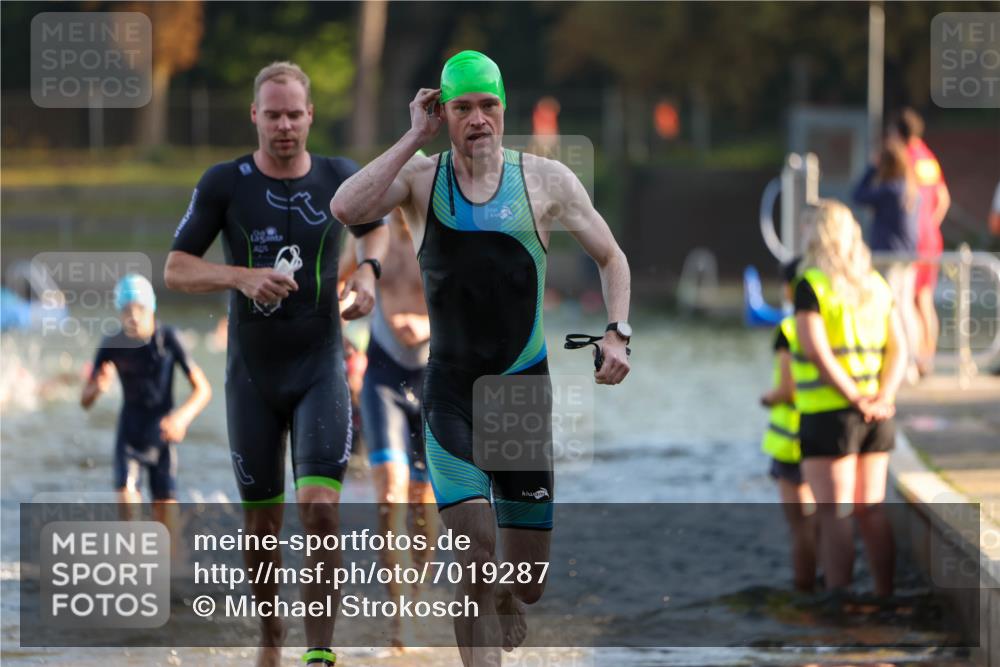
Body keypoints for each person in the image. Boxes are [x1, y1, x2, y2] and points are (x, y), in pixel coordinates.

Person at [330, 50, 631, 666]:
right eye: (462, 107)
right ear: (444, 110)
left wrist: (618, 332)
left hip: (521, 393)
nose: (477, 120)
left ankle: (504, 598)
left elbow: (612, 257)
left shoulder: (546, 181)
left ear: (504, 109)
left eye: (487, 106)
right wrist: (415, 134)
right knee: (473, 543)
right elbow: (347, 208)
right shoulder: (421, 178)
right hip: (450, 393)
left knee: (526, 581)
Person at [163, 61, 389, 667]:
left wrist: (369, 271)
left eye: (295, 114)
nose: (285, 125)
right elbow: (177, 267)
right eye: (274, 114)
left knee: (321, 509)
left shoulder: (341, 178)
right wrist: (241, 277)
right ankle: (271, 642)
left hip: (320, 364)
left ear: (310, 115)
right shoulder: (224, 184)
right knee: (262, 530)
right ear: (255, 117)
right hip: (252, 378)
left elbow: (377, 228)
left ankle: (320, 651)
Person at [793, 200, 907, 596]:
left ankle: (839, 602)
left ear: (819, 234)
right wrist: (883, 397)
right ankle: (883, 594)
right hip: (878, 414)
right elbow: (900, 349)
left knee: (834, 511)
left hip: (830, 414)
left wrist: (855, 398)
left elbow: (816, 352)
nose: (802, 234)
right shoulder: (875, 282)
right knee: (871, 509)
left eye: (807, 227)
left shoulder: (811, 284)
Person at [342, 204, 438, 651]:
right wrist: (346, 332)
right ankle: (400, 621)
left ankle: (416, 596)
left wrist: (427, 325)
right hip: (383, 377)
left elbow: (472, 304)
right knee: (390, 498)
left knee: (425, 507)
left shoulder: (440, 230)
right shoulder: (370, 237)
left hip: (433, 376)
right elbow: (332, 287)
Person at [81, 274, 212, 535]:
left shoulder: (169, 338)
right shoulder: (111, 345)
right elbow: (84, 400)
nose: (133, 316)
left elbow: (203, 389)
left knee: (167, 533)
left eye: (139, 308)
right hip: (129, 438)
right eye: (126, 310)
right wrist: (97, 387)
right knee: (130, 523)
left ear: (151, 308)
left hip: (163, 439)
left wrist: (181, 418)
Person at [759, 259, 817, 593]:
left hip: (792, 443)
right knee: (826, 521)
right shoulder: (834, 322)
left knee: (801, 528)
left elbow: (788, 388)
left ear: (788, 288)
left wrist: (766, 398)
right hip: (826, 434)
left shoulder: (790, 329)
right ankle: (831, 583)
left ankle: (804, 591)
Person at [852, 137, 921, 381]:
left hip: (889, 258)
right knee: (906, 309)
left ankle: (902, 365)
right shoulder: (910, 188)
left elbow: (858, 194)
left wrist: (871, 168)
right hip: (907, 258)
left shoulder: (890, 190)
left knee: (893, 310)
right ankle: (911, 363)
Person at [891, 108, 950, 376]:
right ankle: (928, 357)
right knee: (925, 299)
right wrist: (931, 224)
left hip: (913, 240)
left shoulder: (904, 159)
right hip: (932, 238)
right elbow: (944, 199)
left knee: (909, 299)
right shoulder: (929, 158)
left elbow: (903, 199)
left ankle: (916, 358)